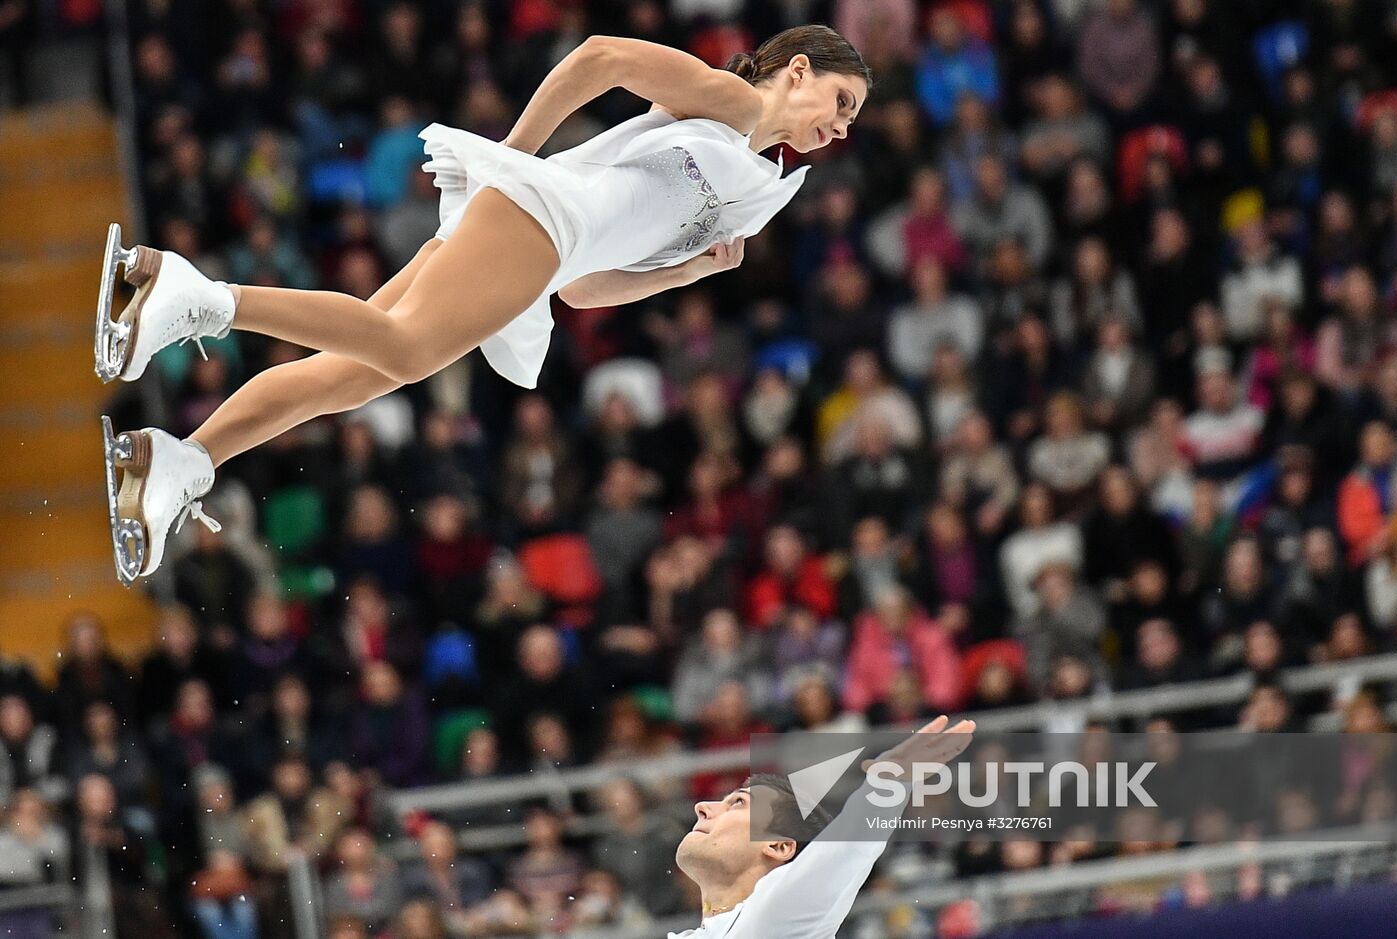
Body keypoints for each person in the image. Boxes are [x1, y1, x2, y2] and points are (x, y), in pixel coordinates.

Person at [96, 26, 871, 584]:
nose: (838, 127)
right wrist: (513, 158)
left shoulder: (756, 191)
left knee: (356, 375)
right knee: (403, 350)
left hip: (549, 254)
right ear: (796, 70)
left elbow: (583, 288)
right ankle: (192, 296)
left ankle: (184, 458)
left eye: (851, 121)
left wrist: (680, 277)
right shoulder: (733, 102)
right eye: (839, 101)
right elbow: (600, 57)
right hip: (539, 213)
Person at [670, 714, 974, 937]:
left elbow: (842, 851)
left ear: (778, 845)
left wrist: (889, 784)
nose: (703, 807)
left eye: (737, 803)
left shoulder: (777, 920)